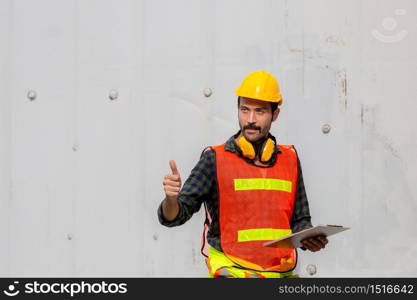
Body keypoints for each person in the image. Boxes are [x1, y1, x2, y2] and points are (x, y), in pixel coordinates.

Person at [158, 70, 328, 278]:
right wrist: (171, 199)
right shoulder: (214, 159)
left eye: (260, 111)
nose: (251, 120)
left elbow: (300, 220)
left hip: (279, 274)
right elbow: (174, 217)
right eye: (244, 110)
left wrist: (308, 238)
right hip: (232, 273)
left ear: (275, 114)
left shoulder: (290, 159)